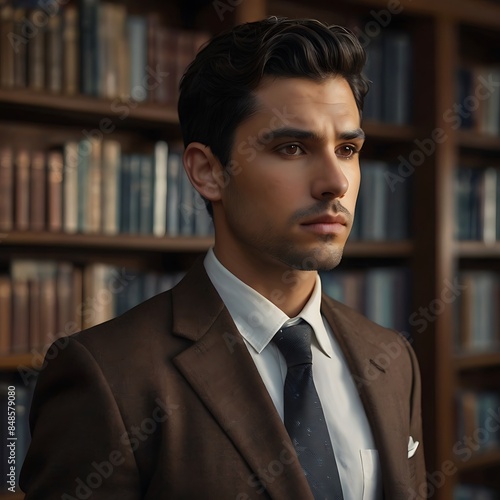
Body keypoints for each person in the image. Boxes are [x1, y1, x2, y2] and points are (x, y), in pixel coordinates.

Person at [20, 17, 426, 500]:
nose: (335, 182)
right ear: (208, 171)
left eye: (347, 148)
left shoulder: (393, 359)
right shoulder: (107, 376)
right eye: (293, 147)